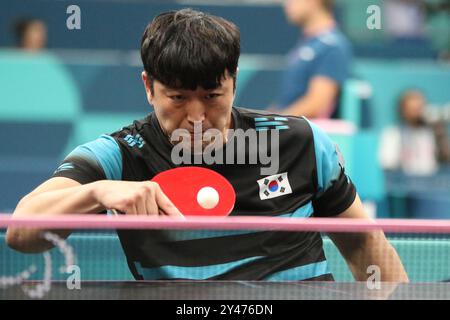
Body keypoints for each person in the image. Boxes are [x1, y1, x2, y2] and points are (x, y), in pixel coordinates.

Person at [6, 9, 408, 282]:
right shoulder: (120, 154)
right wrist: (96, 192)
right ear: (149, 87)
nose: (197, 118)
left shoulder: (300, 141)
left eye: (213, 97)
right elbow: (22, 233)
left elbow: (366, 244)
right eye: (178, 98)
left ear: (233, 81)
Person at [274, 0, 352, 119]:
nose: (287, 4)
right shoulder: (307, 43)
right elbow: (286, 101)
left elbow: (317, 103)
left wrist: (275, 124)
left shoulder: (332, 46)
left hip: (304, 133)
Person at [379, 90, 450, 176]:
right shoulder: (393, 133)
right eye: (413, 109)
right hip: (407, 184)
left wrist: (441, 135)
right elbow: (388, 164)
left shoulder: (433, 132)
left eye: (420, 107)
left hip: (433, 183)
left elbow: (446, 160)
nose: (417, 112)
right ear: (403, 110)